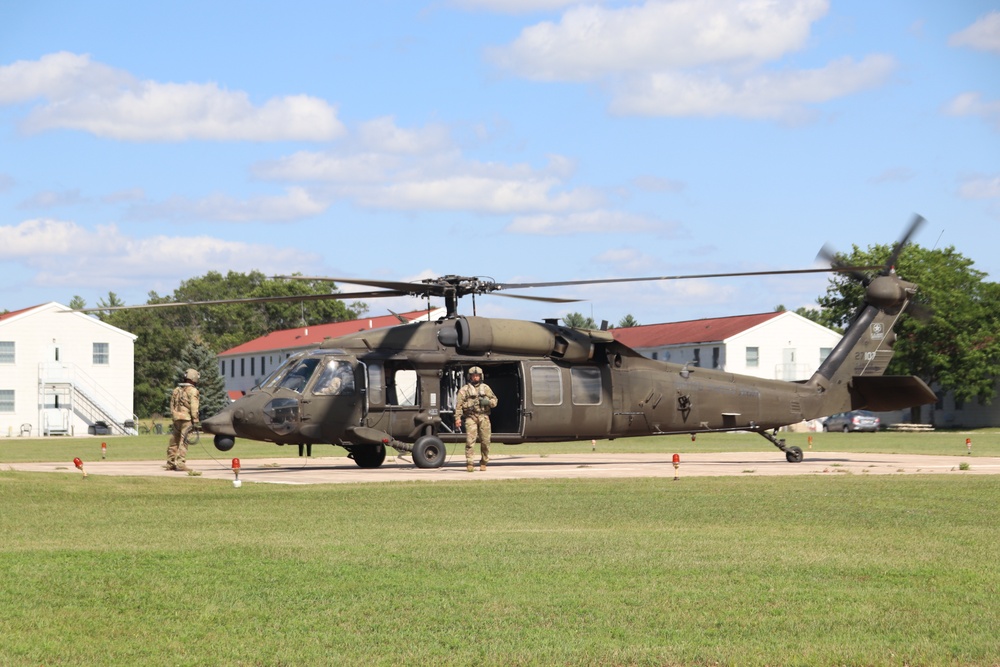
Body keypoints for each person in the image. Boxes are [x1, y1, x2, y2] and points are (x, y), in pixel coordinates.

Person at [454, 366, 498, 472]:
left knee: (486, 441)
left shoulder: (486, 388)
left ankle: (484, 461)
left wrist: (488, 402)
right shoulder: (464, 390)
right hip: (471, 417)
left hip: (484, 416)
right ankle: (470, 463)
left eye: (477, 375)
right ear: (470, 377)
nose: (475, 377)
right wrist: (457, 418)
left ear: (480, 376)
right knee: (470, 441)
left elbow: (495, 401)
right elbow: (459, 406)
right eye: (473, 376)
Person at [165, 368, 200, 471]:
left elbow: (172, 404)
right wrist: (196, 420)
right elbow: (194, 407)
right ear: (193, 378)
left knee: (174, 441)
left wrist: (173, 415)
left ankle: (170, 462)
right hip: (187, 419)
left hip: (176, 418)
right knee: (184, 441)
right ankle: (180, 463)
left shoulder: (177, 390)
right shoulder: (193, 391)